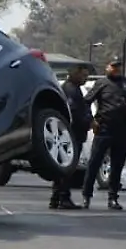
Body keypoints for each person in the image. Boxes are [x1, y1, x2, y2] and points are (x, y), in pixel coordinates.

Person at [81, 57, 126, 210]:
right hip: (104, 129)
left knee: (117, 166)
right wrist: (91, 120)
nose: (116, 69)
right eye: (113, 66)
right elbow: (85, 102)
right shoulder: (101, 83)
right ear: (107, 67)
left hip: (122, 129)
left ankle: (113, 198)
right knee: (94, 163)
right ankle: (86, 196)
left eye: (118, 66)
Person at [50, 64, 92, 210]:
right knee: (68, 167)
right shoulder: (70, 90)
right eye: (83, 76)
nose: (85, 79)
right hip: (71, 134)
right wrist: (87, 121)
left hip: (69, 134)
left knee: (63, 166)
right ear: (75, 74)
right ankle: (63, 197)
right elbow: (74, 113)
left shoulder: (74, 89)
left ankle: (57, 197)